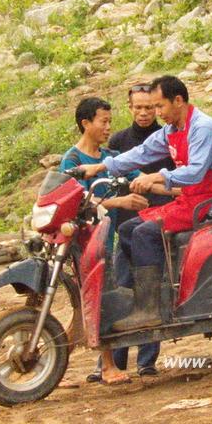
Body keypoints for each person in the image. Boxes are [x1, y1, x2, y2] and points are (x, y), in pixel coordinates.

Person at [79, 76, 212, 332]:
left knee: (144, 233)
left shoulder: (202, 128)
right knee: (127, 230)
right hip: (190, 199)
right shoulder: (171, 130)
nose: (156, 113)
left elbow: (195, 172)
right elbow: (142, 152)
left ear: (178, 100)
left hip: (210, 201)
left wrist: (155, 177)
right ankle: (145, 295)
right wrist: (101, 167)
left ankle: (150, 309)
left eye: (160, 106)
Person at [86, 83, 179, 383]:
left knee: (151, 288)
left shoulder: (167, 137)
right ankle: (114, 362)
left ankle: (147, 362)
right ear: (130, 108)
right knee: (124, 288)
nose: (144, 112)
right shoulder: (119, 142)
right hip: (127, 224)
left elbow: (173, 179)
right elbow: (117, 174)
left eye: (150, 107)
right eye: (138, 107)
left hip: (159, 224)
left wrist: (163, 187)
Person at [59, 97, 149, 386]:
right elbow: (78, 202)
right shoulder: (73, 161)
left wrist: (172, 185)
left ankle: (55, 365)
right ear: (86, 123)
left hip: (105, 240)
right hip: (85, 242)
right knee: (100, 301)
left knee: (91, 306)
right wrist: (120, 201)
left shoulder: (110, 157)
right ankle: (108, 366)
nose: (109, 127)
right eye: (103, 122)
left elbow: (140, 177)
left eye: (110, 121)